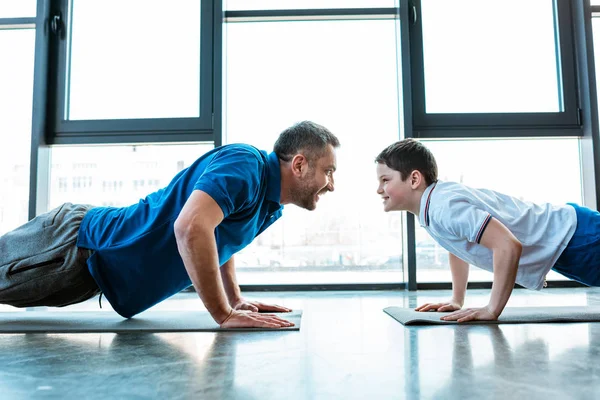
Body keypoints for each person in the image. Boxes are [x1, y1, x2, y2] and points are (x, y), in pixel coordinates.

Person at [0, 121, 339, 329]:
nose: (332, 184)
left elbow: (220, 236)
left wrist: (234, 299)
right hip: (78, 243)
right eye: (329, 171)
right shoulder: (246, 164)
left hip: (95, 274)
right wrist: (223, 313)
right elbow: (191, 226)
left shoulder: (268, 204)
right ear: (299, 164)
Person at [375, 138, 599, 322]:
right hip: (569, 242)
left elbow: (508, 245)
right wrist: (457, 299)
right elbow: (457, 247)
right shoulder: (433, 206)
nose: (379, 189)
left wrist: (492, 309)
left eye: (385, 180)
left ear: (414, 178)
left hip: (580, 237)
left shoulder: (442, 206)